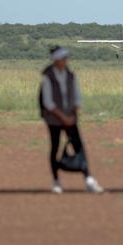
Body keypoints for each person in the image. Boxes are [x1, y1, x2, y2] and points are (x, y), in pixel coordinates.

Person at [40, 46, 104, 194]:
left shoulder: (71, 76)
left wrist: (73, 116)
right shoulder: (47, 77)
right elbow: (48, 102)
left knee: (79, 148)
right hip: (54, 120)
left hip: (70, 118)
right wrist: (64, 117)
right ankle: (56, 182)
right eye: (62, 58)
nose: (65, 60)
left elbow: (77, 98)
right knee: (55, 149)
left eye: (65, 58)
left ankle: (88, 180)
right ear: (56, 60)